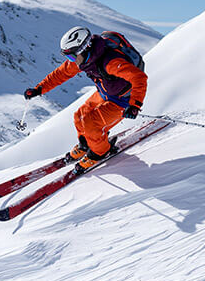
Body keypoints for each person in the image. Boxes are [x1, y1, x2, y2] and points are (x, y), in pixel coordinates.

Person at [24, 27, 148, 173]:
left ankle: (100, 152)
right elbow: (61, 74)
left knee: (92, 123)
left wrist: (135, 105)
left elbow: (139, 77)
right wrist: (39, 89)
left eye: (71, 57)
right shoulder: (83, 59)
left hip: (122, 100)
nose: (71, 61)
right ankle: (86, 145)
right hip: (106, 93)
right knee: (80, 115)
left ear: (84, 48)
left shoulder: (110, 62)